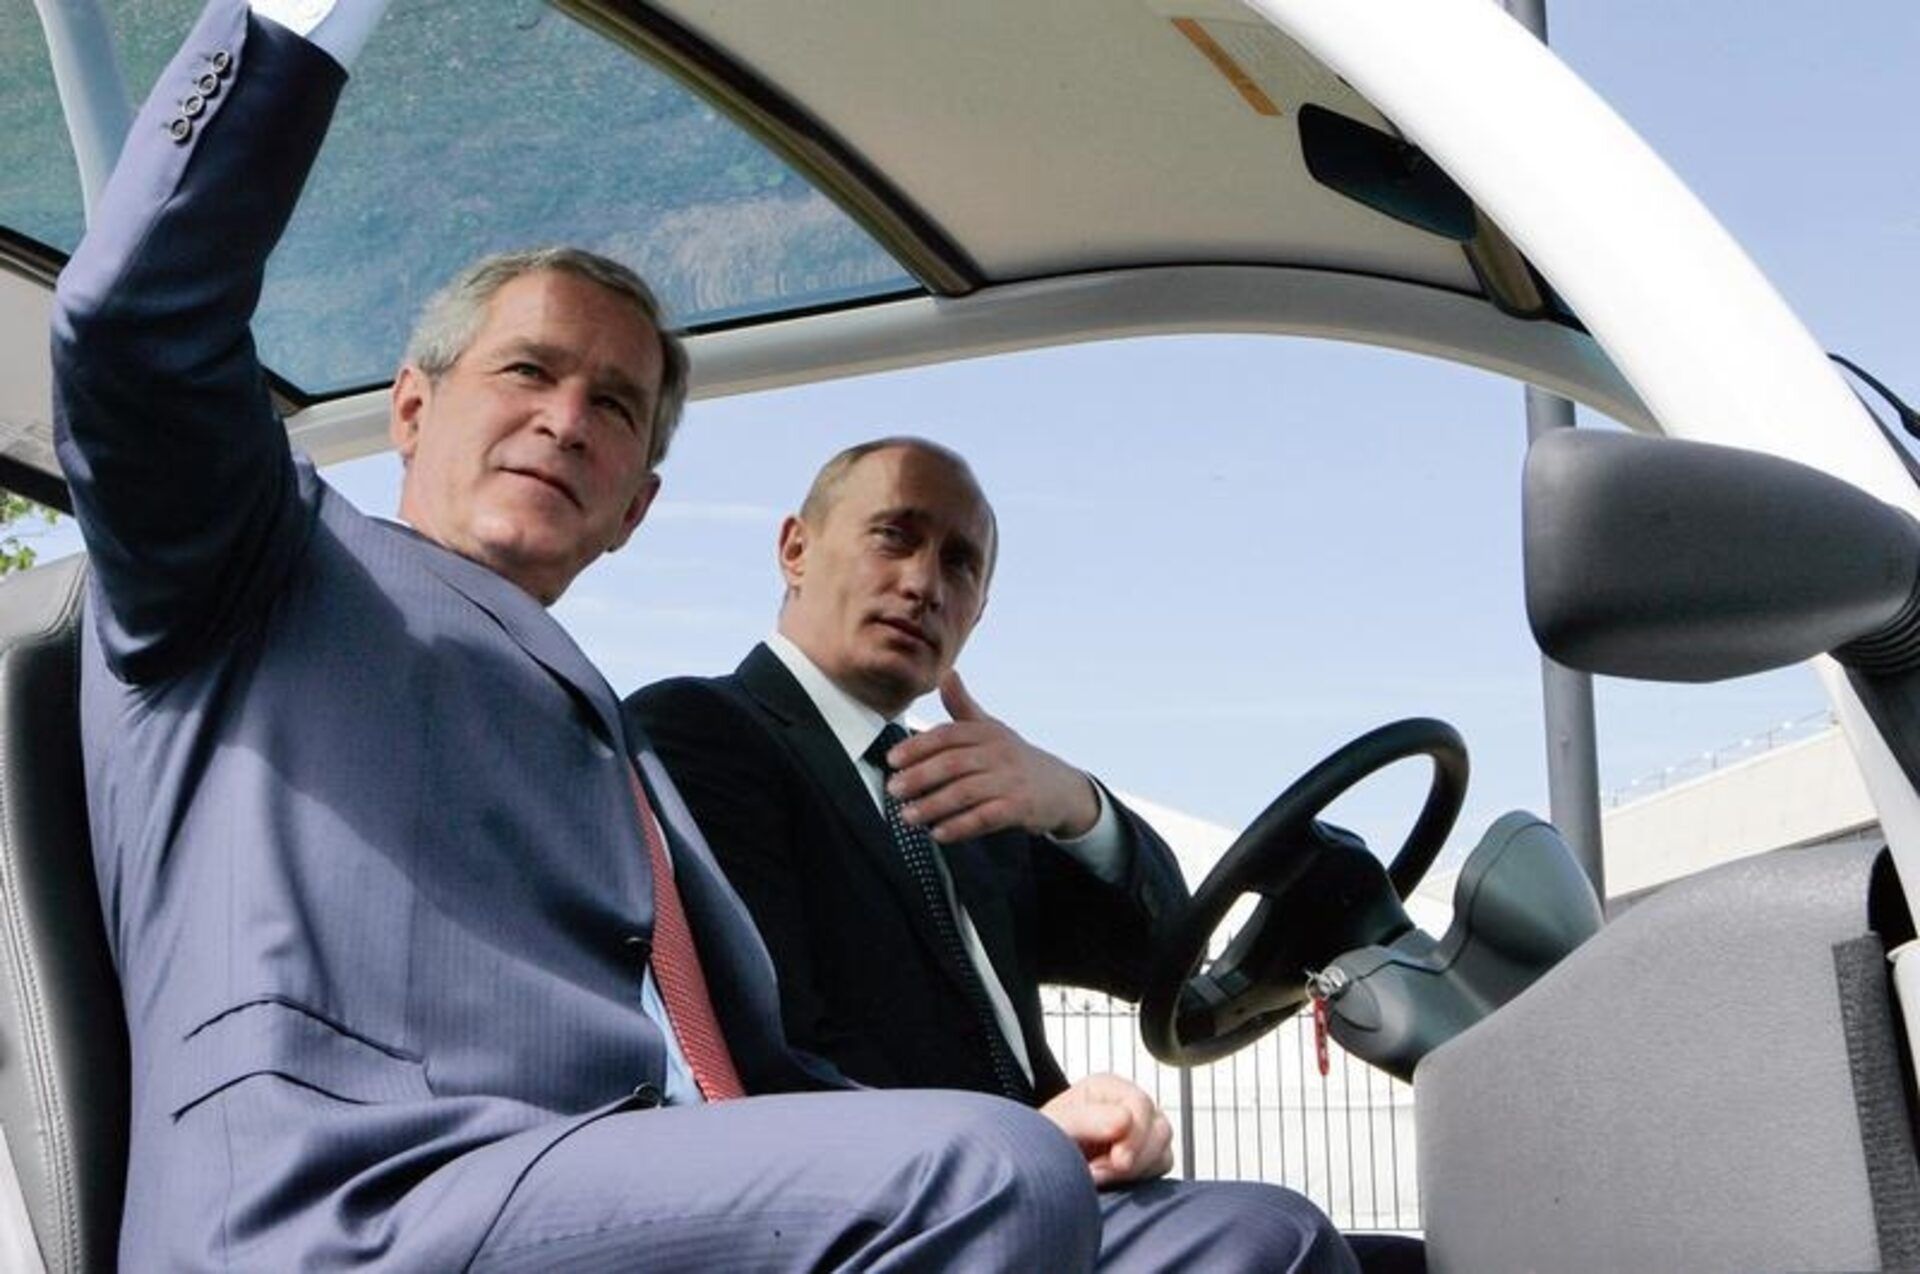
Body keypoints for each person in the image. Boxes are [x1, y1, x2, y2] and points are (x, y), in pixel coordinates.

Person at [51, 0, 1355, 1268]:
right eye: (527, 370)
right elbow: (135, 329)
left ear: (637, 507)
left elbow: (759, 1080)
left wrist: (1028, 1121)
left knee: (1257, 1233)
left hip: (645, 1192)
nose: (567, 419)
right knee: (984, 1172)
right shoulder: (258, 561)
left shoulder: (615, 750)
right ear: (409, 407)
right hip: (362, 1200)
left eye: (616, 407)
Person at [627, 438, 1191, 1103]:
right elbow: (772, 1048)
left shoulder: (972, 791)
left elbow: (1160, 962)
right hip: (900, 1163)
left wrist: (1077, 804)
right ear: (796, 550)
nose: (924, 586)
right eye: (894, 537)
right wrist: (1023, 1138)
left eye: (960, 564)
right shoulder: (699, 730)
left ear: (979, 611)